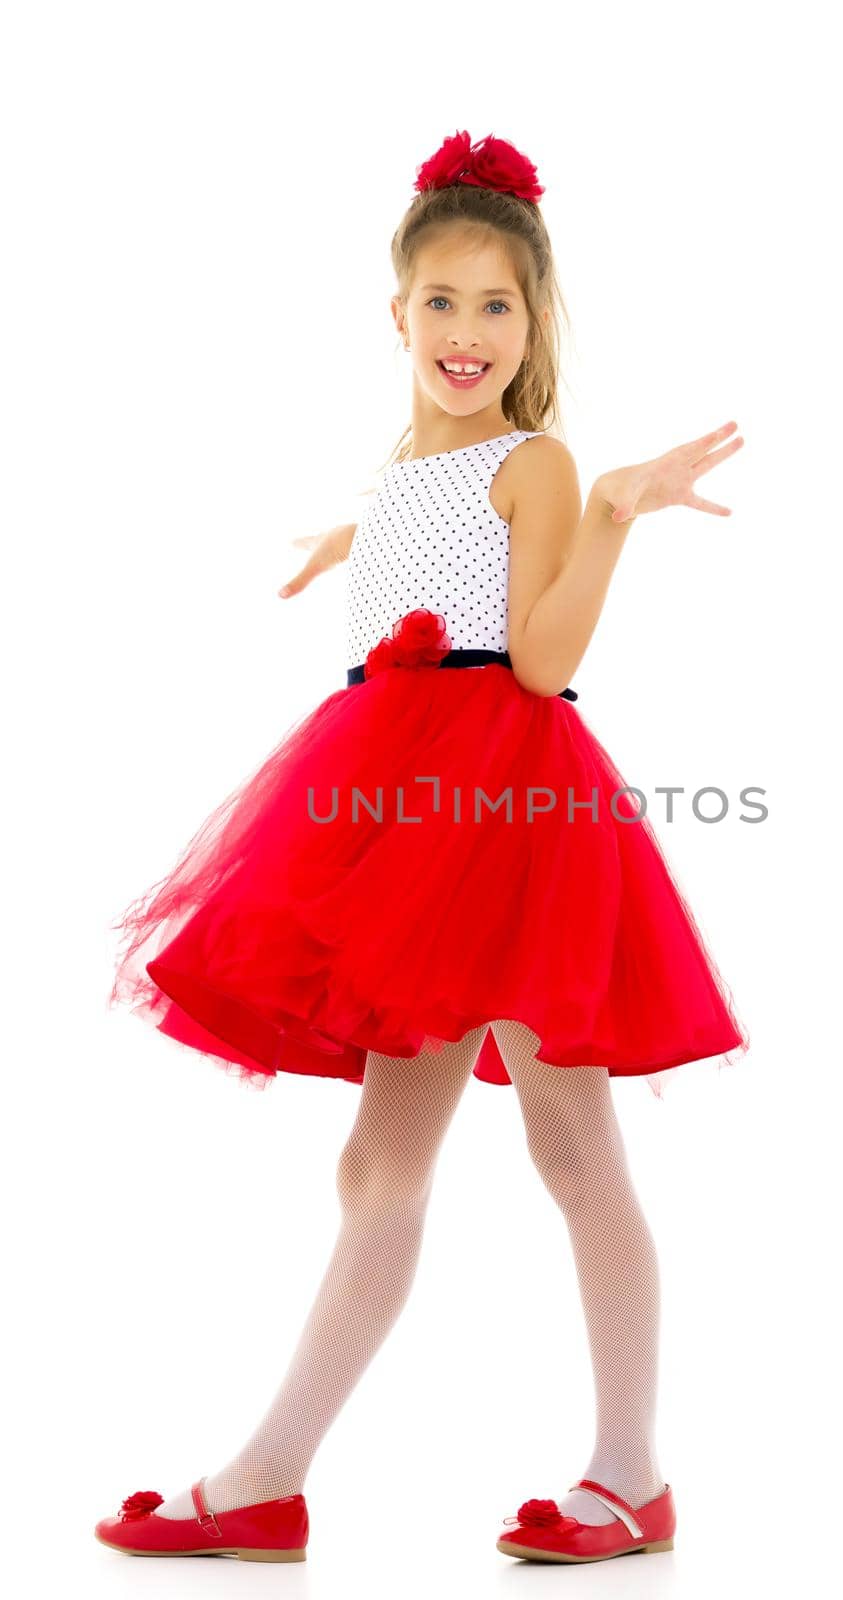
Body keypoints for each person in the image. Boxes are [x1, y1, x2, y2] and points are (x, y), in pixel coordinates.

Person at [95, 128, 749, 1567]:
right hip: (394, 820)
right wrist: (353, 537)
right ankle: (268, 1476)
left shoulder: (544, 461)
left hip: (507, 817)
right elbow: (420, 533)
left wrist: (620, 512)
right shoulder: (402, 471)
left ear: (535, 321)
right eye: (441, 304)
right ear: (396, 317)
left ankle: (629, 1470)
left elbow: (534, 664)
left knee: (569, 1146)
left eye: (497, 305)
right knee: (382, 1162)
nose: (468, 332)